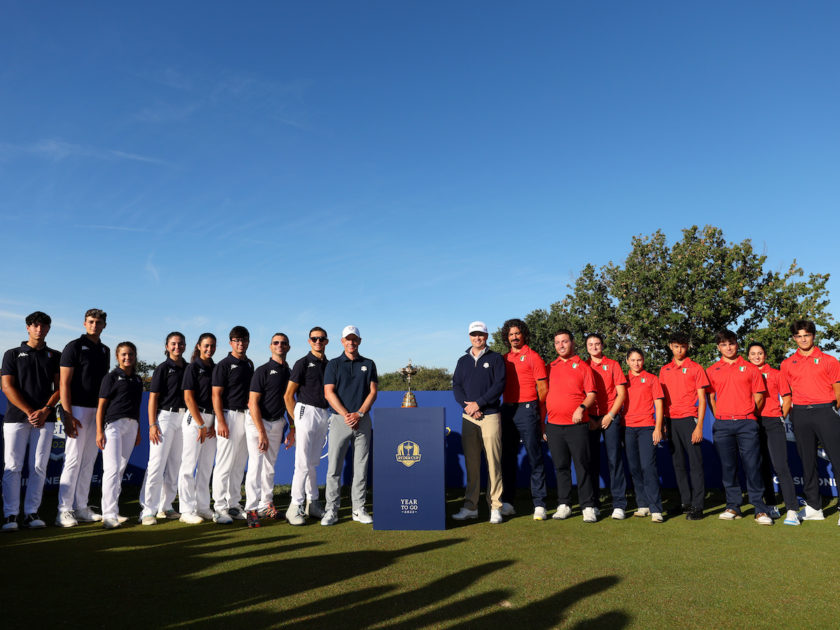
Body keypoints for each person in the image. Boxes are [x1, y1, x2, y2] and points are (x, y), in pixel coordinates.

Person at [1, 311, 61, 531]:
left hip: (45, 418)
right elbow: (7, 386)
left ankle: (31, 513)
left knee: (38, 466)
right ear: (28, 327)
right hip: (17, 418)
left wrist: (45, 410)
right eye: (35, 326)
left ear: (48, 329)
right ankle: (10, 515)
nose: (39, 329)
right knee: (13, 466)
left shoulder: (55, 355)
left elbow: (61, 386)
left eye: (44, 326)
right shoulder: (12, 354)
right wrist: (29, 411)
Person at [706, 330, 773, 525]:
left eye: (731, 343)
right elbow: (710, 397)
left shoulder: (751, 368)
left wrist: (747, 414)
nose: (728, 347)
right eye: (724, 344)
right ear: (719, 347)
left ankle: (760, 509)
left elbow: (759, 397)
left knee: (752, 466)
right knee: (728, 467)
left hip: (747, 423)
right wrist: (722, 415)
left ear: (737, 344)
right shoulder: (711, 370)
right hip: (723, 424)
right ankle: (733, 506)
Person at [780, 319, 840, 523]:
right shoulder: (787, 363)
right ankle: (815, 506)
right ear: (794, 338)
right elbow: (787, 395)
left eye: (806, 335)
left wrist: (832, 410)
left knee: (838, 459)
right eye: (799, 336)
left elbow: (838, 391)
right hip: (800, 414)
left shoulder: (829, 360)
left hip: (826, 412)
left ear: (813, 336)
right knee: (808, 462)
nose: (803, 339)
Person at [56, 308, 110, 527]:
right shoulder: (74, 347)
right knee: (73, 460)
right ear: (84, 323)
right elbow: (63, 383)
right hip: (76, 410)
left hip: (96, 410)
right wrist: (67, 414)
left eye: (98, 322)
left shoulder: (106, 350)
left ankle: (81, 507)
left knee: (88, 461)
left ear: (104, 325)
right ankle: (63, 510)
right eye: (90, 321)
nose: (94, 325)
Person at [321, 326, 378, 526]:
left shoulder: (369, 364)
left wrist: (360, 413)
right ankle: (331, 510)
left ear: (359, 341)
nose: (351, 342)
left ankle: (358, 508)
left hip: (362, 420)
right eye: (348, 339)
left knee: (361, 467)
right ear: (342, 341)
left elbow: (372, 392)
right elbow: (329, 392)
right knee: (334, 468)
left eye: (354, 339)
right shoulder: (334, 364)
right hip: (339, 420)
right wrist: (347, 415)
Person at [451, 321, 506, 524]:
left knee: (493, 463)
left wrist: (479, 404)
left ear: (486, 336)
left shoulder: (496, 358)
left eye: (480, 334)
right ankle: (471, 507)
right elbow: (456, 385)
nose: (477, 338)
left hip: (490, 414)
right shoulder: (462, 360)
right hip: (468, 417)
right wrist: (467, 407)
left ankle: (496, 506)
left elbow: (499, 385)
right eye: (474, 334)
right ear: (469, 336)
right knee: (472, 464)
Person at [544, 330, 598, 523]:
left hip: (577, 426)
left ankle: (588, 506)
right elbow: (543, 397)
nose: (561, 345)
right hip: (554, 426)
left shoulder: (583, 367)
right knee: (561, 467)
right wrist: (543, 425)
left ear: (572, 343)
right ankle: (564, 504)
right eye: (557, 342)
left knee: (583, 466)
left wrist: (581, 408)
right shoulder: (549, 367)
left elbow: (591, 394)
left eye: (564, 341)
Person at [499, 318, 548, 520]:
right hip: (507, 411)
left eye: (517, 333)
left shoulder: (533, 357)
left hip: (528, 409)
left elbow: (543, 389)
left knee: (535, 458)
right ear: (506, 337)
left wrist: (534, 407)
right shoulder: (504, 358)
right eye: (511, 334)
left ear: (524, 334)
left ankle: (539, 504)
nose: (514, 337)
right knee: (507, 459)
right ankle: (508, 503)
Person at [658, 332, 709, 521]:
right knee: (678, 464)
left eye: (683, 346)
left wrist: (699, 426)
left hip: (690, 420)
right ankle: (685, 502)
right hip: (671, 421)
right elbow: (661, 399)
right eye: (676, 346)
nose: (680, 350)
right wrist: (662, 422)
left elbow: (702, 400)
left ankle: (698, 506)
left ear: (687, 347)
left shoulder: (696, 368)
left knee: (695, 464)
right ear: (670, 346)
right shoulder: (664, 370)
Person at [747, 342, 798, 525]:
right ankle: (771, 505)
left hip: (773, 421)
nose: (756, 356)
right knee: (761, 467)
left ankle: (792, 509)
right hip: (752, 422)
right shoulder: (744, 373)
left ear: (765, 355)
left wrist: (780, 417)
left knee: (781, 465)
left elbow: (787, 398)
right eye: (753, 354)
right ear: (748, 356)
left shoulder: (776, 373)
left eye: (760, 353)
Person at [138, 332, 187, 525]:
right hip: (165, 417)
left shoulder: (189, 368)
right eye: (173, 344)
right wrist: (152, 424)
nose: (177, 347)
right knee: (156, 465)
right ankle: (148, 510)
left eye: (181, 343)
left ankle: (166, 506)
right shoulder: (162, 368)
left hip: (184, 419)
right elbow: (153, 398)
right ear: (167, 346)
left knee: (176, 464)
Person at [244, 333, 293, 528]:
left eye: (283, 343)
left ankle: (266, 505)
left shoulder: (289, 372)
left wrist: (293, 427)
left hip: (277, 422)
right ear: (270, 346)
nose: (279, 345)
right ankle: (251, 509)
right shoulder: (262, 371)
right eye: (276, 343)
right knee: (256, 466)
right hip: (258, 423)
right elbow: (252, 402)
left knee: (270, 467)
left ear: (288, 347)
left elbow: (289, 402)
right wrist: (261, 431)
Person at [284, 326, 330, 525]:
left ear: (326, 341)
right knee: (302, 462)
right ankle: (295, 505)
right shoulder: (302, 363)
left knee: (313, 462)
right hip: (305, 411)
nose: (318, 342)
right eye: (314, 339)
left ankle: (313, 502)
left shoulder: (330, 364)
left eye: (321, 339)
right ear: (309, 341)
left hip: (323, 413)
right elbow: (288, 395)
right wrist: (295, 422)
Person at [95, 342, 143, 529]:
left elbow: (137, 407)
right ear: (117, 356)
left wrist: (138, 429)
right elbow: (101, 407)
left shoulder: (138, 380)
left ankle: (114, 510)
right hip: (113, 426)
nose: (127, 357)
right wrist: (100, 431)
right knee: (112, 470)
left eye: (130, 354)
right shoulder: (111, 377)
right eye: (123, 354)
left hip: (131, 426)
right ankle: (108, 515)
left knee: (120, 470)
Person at [211, 326, 254, 524]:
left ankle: (234, 504)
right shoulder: (224, 364)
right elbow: (216, 395)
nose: (240, 343)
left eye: (244, 340)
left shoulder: (250, 364)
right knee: (224, 464)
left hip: (246, 417)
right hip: (228, 416)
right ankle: (219, 508)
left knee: (239, 464)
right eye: (237, 340)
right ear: (230, 342)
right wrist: (220, 420)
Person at [583, 333, 628, 520]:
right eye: (590, 344)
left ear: (602, 345)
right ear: (586, 347)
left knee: (614, 460)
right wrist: (589, 418)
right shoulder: (582, 366)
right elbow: (579, 394)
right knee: (590, 461)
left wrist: (610, 415)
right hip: (590, 417)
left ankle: (619, 504)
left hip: (610, 416)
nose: (594, 347)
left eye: (597, 343)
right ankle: (593, 504)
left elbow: (621, 394)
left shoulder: (613, 365)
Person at [177, 333, 217, 524]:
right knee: (188, 466)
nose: (209, 349)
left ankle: (202, 507)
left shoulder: (215, 368)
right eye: (206, 346)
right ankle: (186, 510)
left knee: (206, 466)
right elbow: (188, 398)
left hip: (211, 420)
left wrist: (214, 422)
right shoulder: (193, 367)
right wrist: (201, 423)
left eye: (212, 346)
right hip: (195, 418)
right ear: (199, 346)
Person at [623, 348, 665, 523]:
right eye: (632, 360)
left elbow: (659, 405)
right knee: (634, 468)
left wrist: (658, 428)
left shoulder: (652, 379)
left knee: (648, 467)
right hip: (627, 428)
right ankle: (643, 505)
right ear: (627, 361)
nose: (636, 363)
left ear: (644, 360)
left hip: (647, 427)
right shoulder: (623, 380)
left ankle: (656, 509)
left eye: (639, 360)